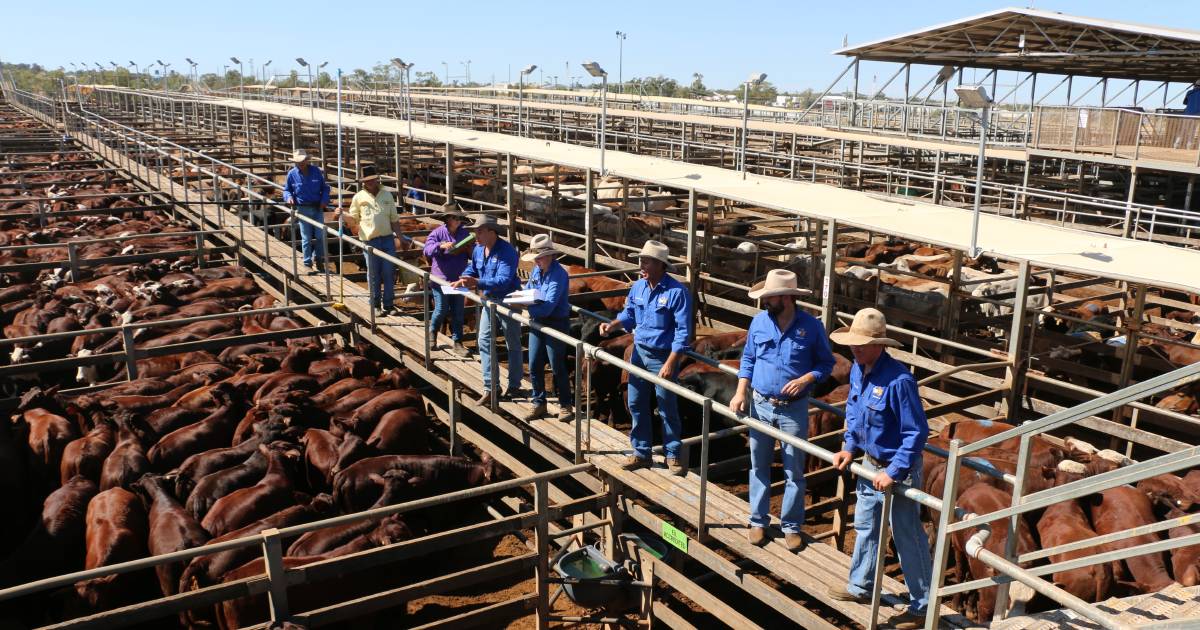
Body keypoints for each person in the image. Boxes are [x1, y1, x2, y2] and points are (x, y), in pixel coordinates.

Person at [827, 308, 931, 630]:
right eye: (852, 344)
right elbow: (855, 414)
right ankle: (860, 586)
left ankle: (923, 605)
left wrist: (894, 471)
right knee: (866, 525)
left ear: (879, 345)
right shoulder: (859, 370)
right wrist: (848, 446)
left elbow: (917, 432)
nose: (854, 349)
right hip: (870, 464)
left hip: (896, 470)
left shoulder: (900, 381)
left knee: (906, 534)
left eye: (860, 344)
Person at [729, 269, 836, 551]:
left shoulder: (811, 327)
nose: (766, 301)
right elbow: (748, 359)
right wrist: (741, 391)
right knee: (759, 465)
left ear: (787, 297)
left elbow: (826, 365)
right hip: (761, 403)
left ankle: (791, 526)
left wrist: (806, 379)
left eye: (771, 296)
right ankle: (758, 520)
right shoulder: (759, 323)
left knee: (794, 470)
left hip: (793, 409)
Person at [599, 240, 692, 475]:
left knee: (666, 405)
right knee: (635, 402)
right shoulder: (638, 287)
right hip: (639, 352)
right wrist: (613, 325)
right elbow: (629, 315)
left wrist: (672, 362)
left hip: (663, 356)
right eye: (641, 260)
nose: (641, 264)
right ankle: (641, 452)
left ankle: (672, 453)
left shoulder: (677, 293)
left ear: (661, 265)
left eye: (646, 261)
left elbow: (683, 332)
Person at [452, 215, 524, 404]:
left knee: (513, 342)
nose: (476, 234)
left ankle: (515, 385)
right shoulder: (478, 250)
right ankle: (491, 386)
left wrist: (476, 282)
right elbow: (472, 269)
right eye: (476, 231)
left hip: (508, 300)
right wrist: (464, 277)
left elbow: (504, 280)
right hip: (489, 300)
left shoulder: (507, 252)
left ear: (492, 232)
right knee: (484, 340)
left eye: (480, 230)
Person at [510, 234, 574, 422]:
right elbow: (530, 290)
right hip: (539, 321)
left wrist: (525, 305)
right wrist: (521, 297)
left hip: (555, 323)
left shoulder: (559, 274)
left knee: (557, 366)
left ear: (550, 256)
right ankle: (539, 402)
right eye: (535, 258)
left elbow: (548, 306)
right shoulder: (538, 271)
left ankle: (565, 405)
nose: (536, 261)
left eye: (539, 257)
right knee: (534, 364)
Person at [337, 167, 402, 316]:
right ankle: (375, 305)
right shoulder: (358, 197)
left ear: (377, 179)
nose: (371, 182)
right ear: (363, 182)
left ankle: (389, 304)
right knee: (374, 274)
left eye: (372, 179)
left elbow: (394, 219)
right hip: (370, 241)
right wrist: (342, 215)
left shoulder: (387, 195)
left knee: (388, 273)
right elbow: (353, 220)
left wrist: (400, 236)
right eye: (367, 180)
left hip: (387, 239)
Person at [423, 202, 471, 356]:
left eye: (459, 218)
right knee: (441, 308)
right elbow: (427, 249)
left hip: (458, 279)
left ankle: (458, 342)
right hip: (441, 279)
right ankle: (432, 333)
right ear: (447, 219)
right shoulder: (437, 233)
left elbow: (472, 252)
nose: (458, 220)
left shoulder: (465, 234)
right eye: (455, 217)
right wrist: (441, 246)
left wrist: (470, 249)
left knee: (458, 312)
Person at [282, 149, 331, 274]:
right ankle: (307, 262)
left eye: (303, 161)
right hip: (302, 208)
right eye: (298, 161)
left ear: (307, 160)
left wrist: (324, 199)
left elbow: (325, 188)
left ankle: (318, 258)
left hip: (317, 208)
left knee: (320, 236)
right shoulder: (292, 174)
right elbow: (286, 190)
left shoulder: (316, 171)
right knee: (306, 237)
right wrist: (289, 197)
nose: (301, 163)